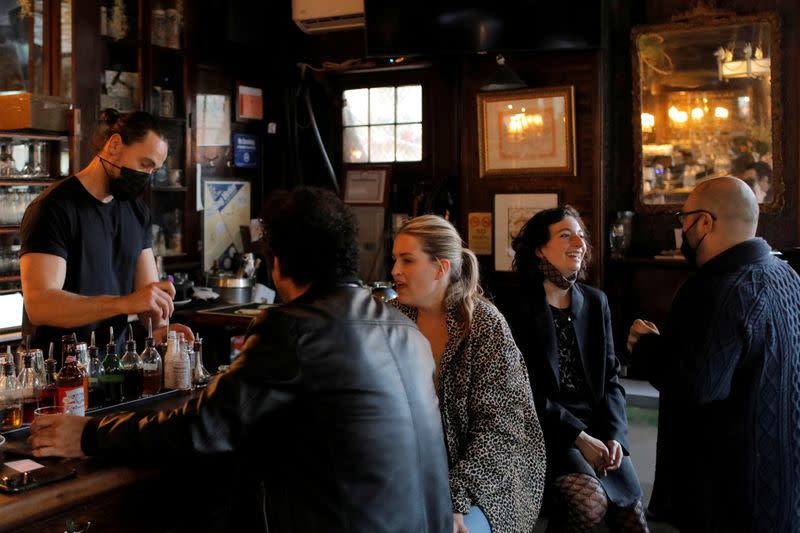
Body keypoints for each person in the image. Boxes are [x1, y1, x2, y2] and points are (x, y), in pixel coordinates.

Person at [30, 187, 454, 532]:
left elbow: (202, 427)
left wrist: (87, 435)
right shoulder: (406, 330)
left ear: (278, 264)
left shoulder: (293, 327)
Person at [627, 176, 800, 532]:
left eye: (684, 218)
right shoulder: (786, 274)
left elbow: (697, 385)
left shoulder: (724, 287)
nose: (682, 228)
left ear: (704, 222)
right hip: (783, 477)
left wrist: (645, 347)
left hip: (731, 494)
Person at [390, 215, 546, 533]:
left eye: (407, 260)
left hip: (491, 481)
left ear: (441, 268)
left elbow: (500, 434)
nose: (394, 271)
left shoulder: (484, 325)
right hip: (415, 473)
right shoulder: (393, 319)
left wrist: (453, 499)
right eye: (395, 260)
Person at [507, 206, 648, 533]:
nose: (579, 243)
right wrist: (578, 437)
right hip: (546, 432)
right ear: (540, 249)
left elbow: (612, 381)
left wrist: (615, 437)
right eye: (565, 235)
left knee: (634, 524)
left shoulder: (596, 302)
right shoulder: (516, 307)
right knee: (589, 505)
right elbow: (521, 392)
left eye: (582, 236)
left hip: (599, 429)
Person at [20, 109, 192, 356]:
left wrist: (161, 329)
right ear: (114, 145)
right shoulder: (53, 208)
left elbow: (148, 300)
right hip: (58, 372)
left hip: (114, 366)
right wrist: (124, 303)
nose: (146, 177)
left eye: (153, 170)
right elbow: (40, 305)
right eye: (144, 164)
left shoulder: (136, 211)